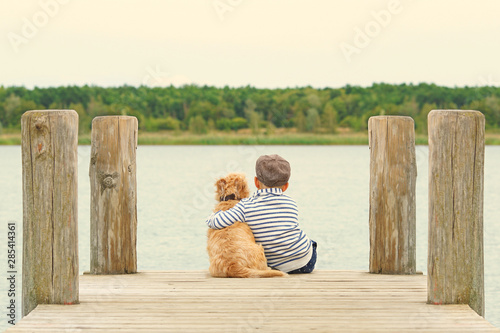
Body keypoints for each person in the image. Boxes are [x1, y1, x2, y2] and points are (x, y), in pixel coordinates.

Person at [205, 154, 317, 274]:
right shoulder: (292, 203)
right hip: (305, 263)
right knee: (310, 242)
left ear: (256, 182)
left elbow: (215, 222)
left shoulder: (245, 206)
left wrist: (212, 216)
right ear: (286, 186)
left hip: (274, 264)